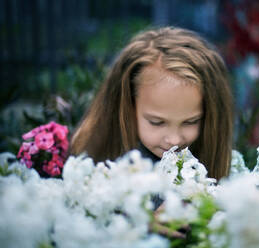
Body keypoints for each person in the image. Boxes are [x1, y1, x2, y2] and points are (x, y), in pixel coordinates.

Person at [70, 26, 234, 181]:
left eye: (191, 122)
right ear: (128, 106)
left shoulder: (210, 167)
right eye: (157, 122)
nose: (174, 140)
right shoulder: (94, 173)